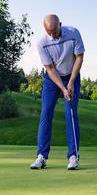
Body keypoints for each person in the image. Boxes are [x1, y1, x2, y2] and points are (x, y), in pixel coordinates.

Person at [30, 14, 84, 170]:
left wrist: (71, 82)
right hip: (52, 79)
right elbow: (50, 68)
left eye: (55, 31)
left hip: (71, 75)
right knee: (46, 112)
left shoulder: (73, 33)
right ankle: (41, 156)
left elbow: (79, 58)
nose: (53, 36)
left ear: (60, 24)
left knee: (71, 113)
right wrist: (62, 88)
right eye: (49, 33)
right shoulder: (42, 43)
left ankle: (73, 156)